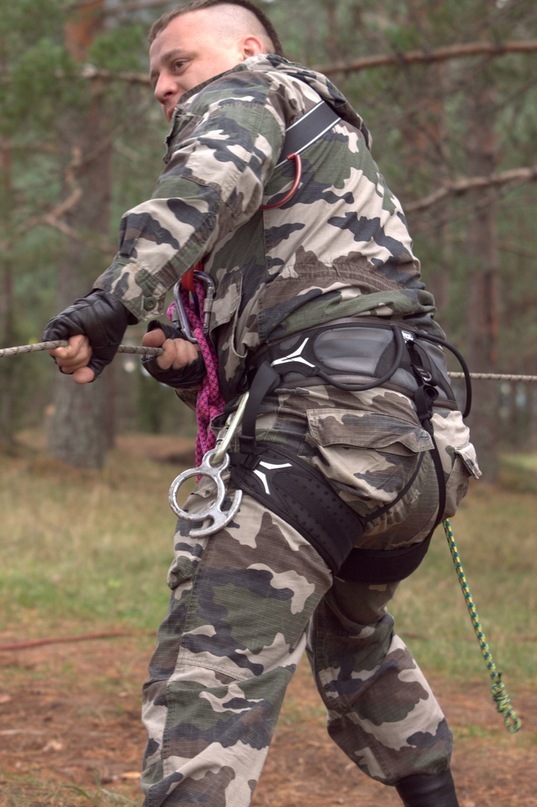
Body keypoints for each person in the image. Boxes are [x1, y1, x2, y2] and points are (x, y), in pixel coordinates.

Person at [44, 2, 481, 805]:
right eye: (154, 75)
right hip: (417, 449)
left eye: (179, 63)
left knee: (208, 674)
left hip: (326, 435)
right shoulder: (311, 154)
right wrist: (189, 365)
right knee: (352, 639)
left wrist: (113, 301)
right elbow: (285, 322)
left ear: (247, 49)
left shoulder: (249, 89)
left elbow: (205, 181)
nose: (163, 86)